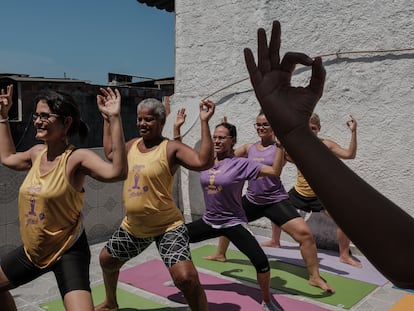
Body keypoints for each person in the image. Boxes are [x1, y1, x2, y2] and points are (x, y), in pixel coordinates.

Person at [243, 20, 414, 289]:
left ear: (318, 129)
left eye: (312, 129)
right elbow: (407, 261)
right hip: (300, 190)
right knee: (281, 213)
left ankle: (344, 254)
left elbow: (348, 154)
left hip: (319, 195)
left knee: (337, 223)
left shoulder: (326, 145)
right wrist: (293, 138)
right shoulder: (295, 148)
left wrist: (304, 136)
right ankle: (275, 239)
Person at [0, 85, 127, 311]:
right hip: (34, 251)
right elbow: (8, 157)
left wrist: (114, 118)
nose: (37, 121)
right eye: (36, 115)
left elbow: (117, 172)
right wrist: (3, 117)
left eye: (45, 116)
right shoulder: (36, 153)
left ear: (66, 122)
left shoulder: (77, 158)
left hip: (68, 251)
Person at [94, 98, 216, 311]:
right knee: (107, 260)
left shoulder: (170, 148)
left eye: (148, 119)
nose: (142, 123)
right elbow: (112, 154)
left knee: (186, 278)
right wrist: (106, 119)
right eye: (140, 119)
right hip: (134, 227)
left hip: (167, 227)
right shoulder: (132, 145)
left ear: (161, 120)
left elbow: (203, 162)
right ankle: (111, 303)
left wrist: (204, 122)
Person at [202, 112, 334, 292]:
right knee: (229, 220)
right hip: (252, 199)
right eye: (258, 125)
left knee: (305, 234)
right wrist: (224, 134)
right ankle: (220, 254)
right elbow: (227, 157)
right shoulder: (249, 148)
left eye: (265, 124)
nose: (261, 128)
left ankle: (314, 277)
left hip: (275, 200)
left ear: (273, 127)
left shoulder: (281, 148)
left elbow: (302, 161)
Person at [186, 121, 286, 311]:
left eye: (222, 138)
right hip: (209, 221)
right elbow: (178, 155)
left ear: (233, 140)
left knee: (261, 262)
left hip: (233, 223)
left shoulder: (241, 164)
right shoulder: (205, 161)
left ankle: (267, 300)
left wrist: (280, 146)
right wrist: (183, 128)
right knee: (174, 238)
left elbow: (274, 171)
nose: (216, 141)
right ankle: (185, 281)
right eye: (215, 137)